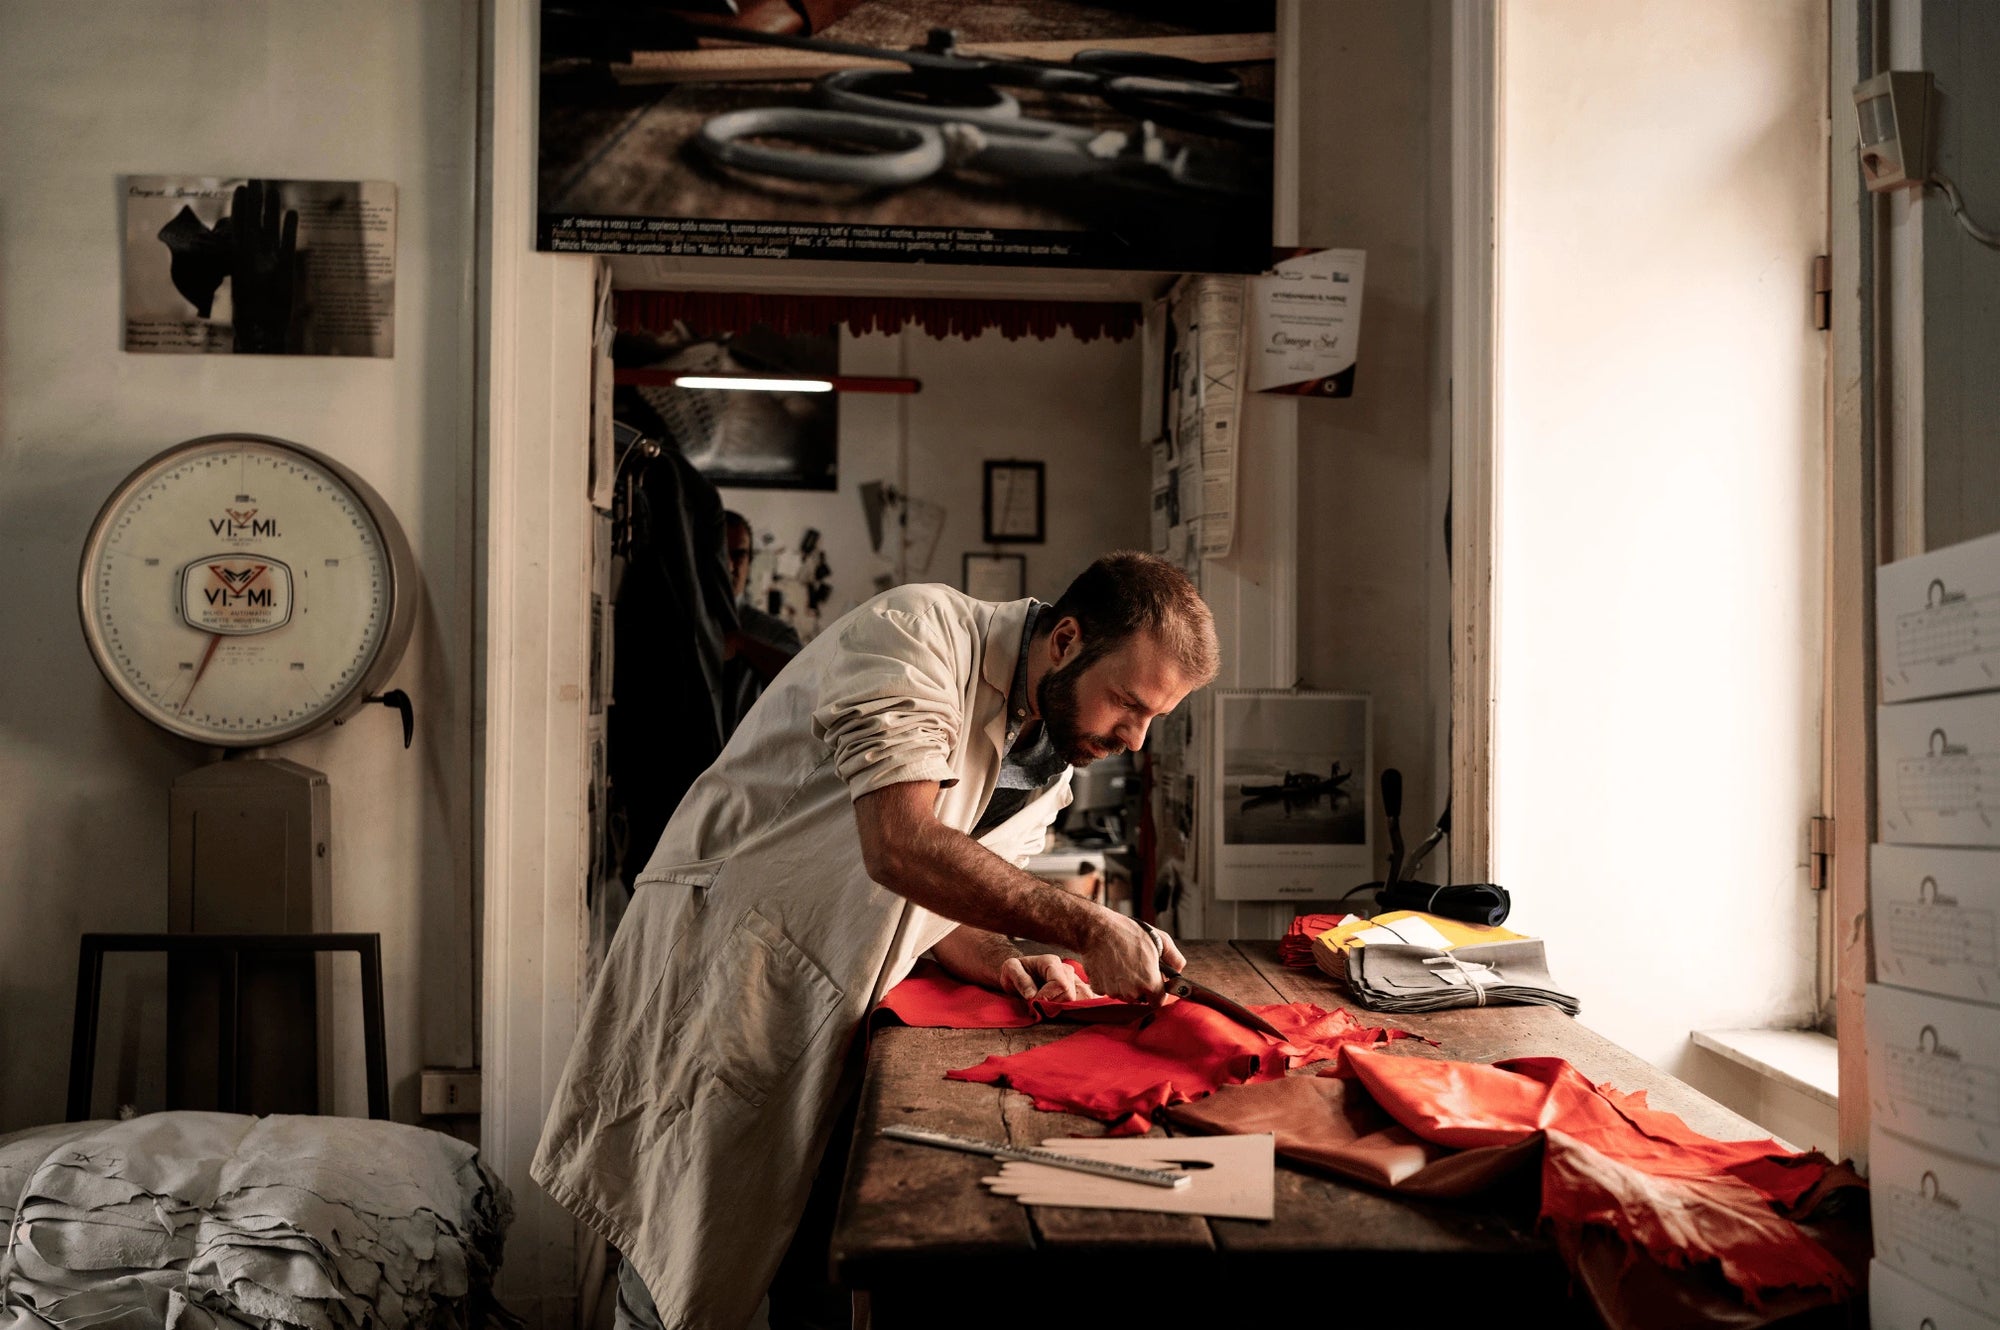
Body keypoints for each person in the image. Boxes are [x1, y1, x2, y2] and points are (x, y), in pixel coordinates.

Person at [533, 551, 1220, 1330]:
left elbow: (938, 900)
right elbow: (901, 846)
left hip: (823, 1006)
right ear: (1066, 640)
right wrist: (1088, 925)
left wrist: (1005, 955)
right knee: (668, 1265)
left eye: (1154, 719)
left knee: (769, 1264)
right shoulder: (918, 635)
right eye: (1127, 703)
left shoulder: (1050, 762)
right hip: (724, 973)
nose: (1134, 738)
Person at [720, 510, 803, 734]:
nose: (730, 566)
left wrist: (742, 644)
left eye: (739, 555)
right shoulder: (681, 625)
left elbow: (807, 681)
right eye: (721, 554)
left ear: (750, 561)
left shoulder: (774, 632)